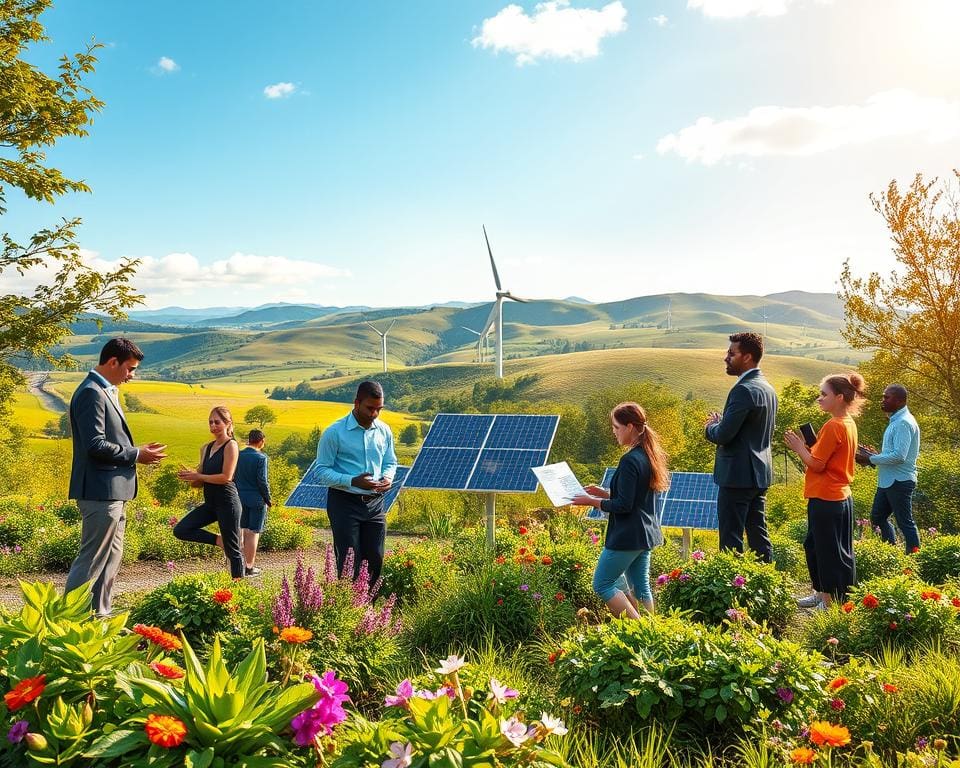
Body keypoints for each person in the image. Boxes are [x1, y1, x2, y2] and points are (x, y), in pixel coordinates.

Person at [65, 338, 167, 616]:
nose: (132, 375)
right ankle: (67, 621)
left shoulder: (103, 390)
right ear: (113, 362)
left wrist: (138, 452)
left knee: (110, 559)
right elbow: (95, 445)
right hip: (100, 491)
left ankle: (99, 617)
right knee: (92, 560)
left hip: (113, 491)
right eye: (130, 369)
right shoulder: (92, 393)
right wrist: (137, 454)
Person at [572, 402, 669, 619]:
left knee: (603, 584)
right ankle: (653, 632)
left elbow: (624, 505)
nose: (613, 432)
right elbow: (635, 497)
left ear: (630, 427)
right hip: (646, 534)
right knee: (640, 586)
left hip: (628, 535)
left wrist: (592, 501)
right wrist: (605, 493)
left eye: (616, 427)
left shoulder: (629, 460)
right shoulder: (647, 455)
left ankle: (639, 630)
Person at [784, 373, 865, 609]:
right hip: (839, 496)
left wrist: (799, 448)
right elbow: (826, 457)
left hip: (827, 497)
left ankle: (829, 602)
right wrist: (809, 447)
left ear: (839, 397)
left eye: (824, 394)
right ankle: (822, 592)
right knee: (816, 545)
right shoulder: (847, 423)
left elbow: (817, 464)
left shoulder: (833, 425)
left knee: (827, 551)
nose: (819, 398)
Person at [704, 332, 777, 562]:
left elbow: (724, 435)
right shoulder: (767, 388)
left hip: (736, 476)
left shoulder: (743, 390)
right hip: (759, 475)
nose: (726, 357)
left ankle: (732, 581)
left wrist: (711, 427)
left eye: (731, 353)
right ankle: (765, 579)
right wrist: (724, 423)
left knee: (730, 538)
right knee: (758, 534)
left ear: (747, 357)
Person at [314, 380, 397, 583]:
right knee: (349, 562)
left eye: (379, 409)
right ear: (356, 403)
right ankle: (349, 602)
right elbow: (321, 471)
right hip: (344, 503)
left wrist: (388, 477)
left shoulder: (384, 430)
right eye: (370, 408)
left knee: (376, 559)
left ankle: (369, 602)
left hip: (375, 504)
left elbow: (390, 461)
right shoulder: (334, 432)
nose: (374, 414)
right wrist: (352, 480)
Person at [173, 406, 245, 579]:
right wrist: (190, 477)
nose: (213, 426)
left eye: (217, 422)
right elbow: (199, 482)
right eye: (210, 422)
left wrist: (199, 476)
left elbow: (226, 477)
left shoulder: (231, 445)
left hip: (228, 503)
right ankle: (219, 540)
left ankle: (239, 586)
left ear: (228, 424)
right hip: (211, 504)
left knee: (233, 550)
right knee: (181, 530)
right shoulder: (205, 448)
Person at [857, 384, 921, 553]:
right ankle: (891, 554)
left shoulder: (903, 423)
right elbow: (893, 454)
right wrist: (873, 456)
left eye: (887, 397)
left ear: (899, 401)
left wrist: (870, 458)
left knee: (905, 522)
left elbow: (899, 456)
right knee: (877, 518)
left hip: (899, 481)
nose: (883, 400)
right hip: (889, 480)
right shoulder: (897, 420)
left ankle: (915, 559)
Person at [235, 428, 272, 576]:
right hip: (256, 499)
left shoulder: (238, 455)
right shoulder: (261, 458)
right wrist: (268, 499)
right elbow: (262, 481)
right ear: (261, 441)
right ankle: (249, 567)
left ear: (249, 440)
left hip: (240, 498)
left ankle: (239, 565)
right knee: (253, 533)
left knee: (242, 531)